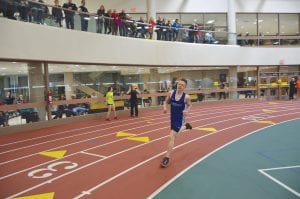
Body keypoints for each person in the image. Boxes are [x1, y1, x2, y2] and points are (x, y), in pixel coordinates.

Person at [161, 78, 192, 168]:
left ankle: (166, 157)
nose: (180, 85)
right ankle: (186, 127)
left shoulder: (186, 97)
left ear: (185, 87)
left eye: (182, 85)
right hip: (172, 118)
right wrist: (165, 108)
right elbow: (166, 101)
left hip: (180, 118)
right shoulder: (171, 93)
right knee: (174, 135)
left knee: (171, 137)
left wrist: (187, 110)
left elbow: (190, 105)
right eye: (179, 84)